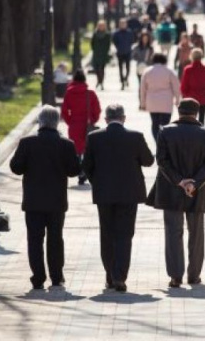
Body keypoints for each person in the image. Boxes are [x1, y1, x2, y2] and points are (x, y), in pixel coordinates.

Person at [82, 104, 155, 292]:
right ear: (123, 118)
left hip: (104, 194)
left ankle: (110, 275)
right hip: (129, 194)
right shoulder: (135, 136)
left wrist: (97, 182)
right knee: (124, 235)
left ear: (105, 120)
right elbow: (148, 161)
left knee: (107, 234)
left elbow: (86, 166)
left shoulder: (94, 137)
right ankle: (119, 276)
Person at [10, 105, 81, 289]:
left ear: (40, 121)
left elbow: (16, 167)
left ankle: (38, 277)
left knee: (34, 240)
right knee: (55, 239)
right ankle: (56, 277)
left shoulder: (27, 142)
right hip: (56, 201)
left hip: (33, 201)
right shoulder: (66, 144)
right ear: (57, 122)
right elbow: (74, 171)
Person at [150, 98, 205, 288]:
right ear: (196, 113)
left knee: (173, 232)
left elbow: (162, 161)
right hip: (198, 190)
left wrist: (180, 181)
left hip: (171, 189)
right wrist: (193, 182)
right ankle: (194, 275)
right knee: (196, 234)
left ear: (178, 112)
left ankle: (175, 276)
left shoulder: (165, 131)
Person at [60, 70, 101, 184]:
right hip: (87, 126)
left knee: (77, 150)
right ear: (84, 80)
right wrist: (92, 121)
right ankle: (85, 170)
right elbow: (97, 110)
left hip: (74, 125)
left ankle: (79, 171)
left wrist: (70, 122)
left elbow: (64, 112)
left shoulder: (68, 93)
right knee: (87, 149)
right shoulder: (90, 94)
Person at [140, 53, 181, 142]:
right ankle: (164, 143)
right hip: (166, 102)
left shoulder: (147, 71)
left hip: (152, 102)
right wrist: (178, 100)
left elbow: (142, 89)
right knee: (165, 125)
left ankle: (157, 142)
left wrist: (142, 103)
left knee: (154, 124)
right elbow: (176, 87)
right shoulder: (169, 71)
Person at [180, 48, 205, 125]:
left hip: (190, 99)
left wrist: (184, 96)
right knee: (201, 121)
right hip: (202, 99)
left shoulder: (188, 70)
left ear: (191, 56)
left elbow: (184, 86)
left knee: (189, 121)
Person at [113, 18, 135, 90]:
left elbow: (132, 40)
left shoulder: (129, 32)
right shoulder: (116, 33)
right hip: (120, 52)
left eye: (124, 24)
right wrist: (118, 48)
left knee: (128, 67)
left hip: (128, 52)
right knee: (120, 68)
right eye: (121, 24)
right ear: (119, 25)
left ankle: (126, 78)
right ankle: (122, 81)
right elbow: (114, 41)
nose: (123, 25)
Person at [91, 20, 111, 90]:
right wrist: (95, 50)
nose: (101, 27)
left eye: (102, 26)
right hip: (96, 53)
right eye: (100, 25)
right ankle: (98, 80)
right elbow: (92, 43)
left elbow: (108, 44)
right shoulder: (95, 34)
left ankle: (101, 82)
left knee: (101, 69)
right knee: (96, 69)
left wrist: (106, 52)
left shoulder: (107, 34)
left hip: (104, 54)